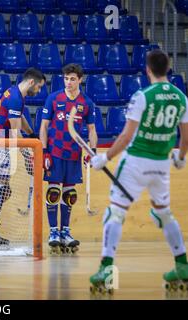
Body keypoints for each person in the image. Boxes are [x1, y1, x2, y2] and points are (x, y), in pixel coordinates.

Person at [89, 49, 188, 291]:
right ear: (168, 68)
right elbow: (185, 135)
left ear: (147, 70)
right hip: (161, 163)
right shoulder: (181, 98)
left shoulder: (143, 95)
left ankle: (107, 270)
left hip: (135, 162)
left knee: (115, 212)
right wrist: (181, 156)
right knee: (164, 213)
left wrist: (105, 157)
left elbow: (126, 135)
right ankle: (182, 264)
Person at [0, 67, 46, 245]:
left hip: (0, 142)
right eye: (38, 87)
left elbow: (19, 120)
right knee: (1, 189)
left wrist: (31, 134)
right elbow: (15, 133)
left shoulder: (14, 93)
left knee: (3, 189)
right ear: (31, 82)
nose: (38, 91)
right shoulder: (15, 98)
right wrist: (28, 154)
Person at [40, 63, 98, 254]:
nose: (68, 82)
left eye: (72, 79)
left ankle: (65, 231)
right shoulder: (54, 98)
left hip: (74, 154)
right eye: (66, 78)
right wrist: (44, 151)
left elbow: (91, 130)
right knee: (53, 192)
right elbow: (44, 126)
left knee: (69, 195)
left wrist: (92, 151)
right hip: (55, 153)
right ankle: (53, 232)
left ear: (80, 80)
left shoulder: (86, 103)